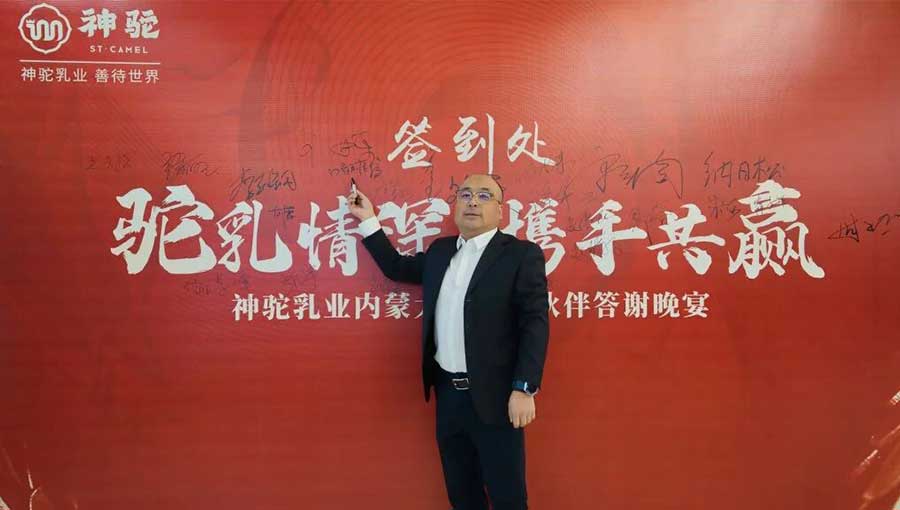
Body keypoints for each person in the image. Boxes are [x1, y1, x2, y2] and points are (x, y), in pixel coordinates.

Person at [348, 173, 549, 510]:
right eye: (465, 194)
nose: (473, 202)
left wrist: (524, 387)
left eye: (484, 195)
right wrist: (367, 219)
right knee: (462, 495)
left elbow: (535, 323)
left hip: (497, 398)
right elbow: (396, 267)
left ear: (500, 210)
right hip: (449, 397)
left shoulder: (520, 255)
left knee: (508, 497)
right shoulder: (441, 252)